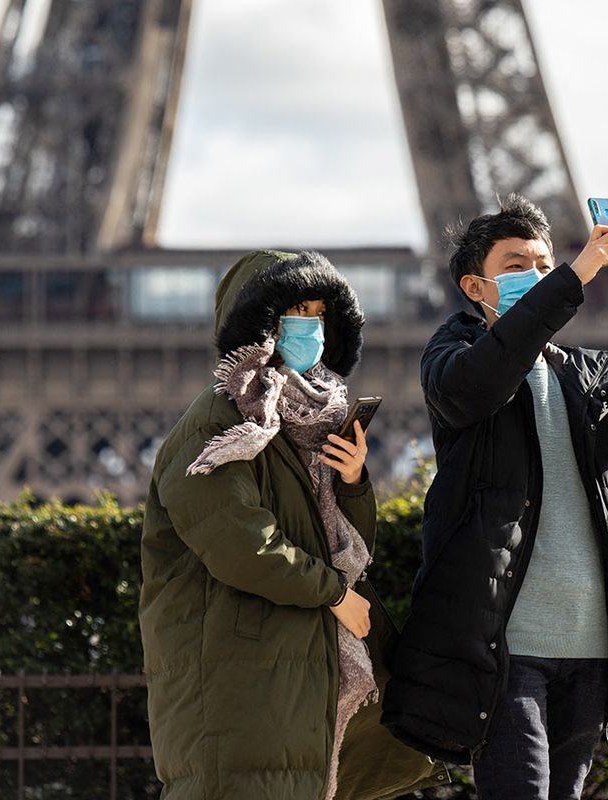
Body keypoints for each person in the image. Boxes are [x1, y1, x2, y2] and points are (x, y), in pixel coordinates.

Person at [381, 195, 608, 799]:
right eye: (517, 265)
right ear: (476, 287)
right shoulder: (450, 362)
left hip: (589, 643)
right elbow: (481, 383)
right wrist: (573, 278)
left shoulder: (587, 374)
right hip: (507, 647)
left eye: (545, 261)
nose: (538, 274)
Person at [139, 250, 446, 800]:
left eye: (318, 311)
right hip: (242, 671)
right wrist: (333, 596)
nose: (310, 324)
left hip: (293, 668)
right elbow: (240, 542)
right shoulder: (223, 418)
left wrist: (351, 482)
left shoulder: (315, 420)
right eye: (293, 311)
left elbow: (342, 546)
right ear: (257, 325)